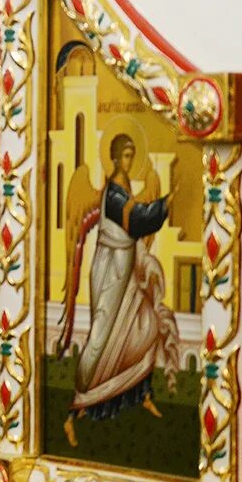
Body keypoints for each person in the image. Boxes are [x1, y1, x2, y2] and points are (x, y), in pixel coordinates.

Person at [57, 117, 178, 446]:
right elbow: (136, 221)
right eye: (124, 155)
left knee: (143, 324)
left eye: (131, 155)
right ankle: (75, 409)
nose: (128, 160)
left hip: (127, 264)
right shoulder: (113, 191)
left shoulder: (124, 188)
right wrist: (164, 205)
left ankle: (141, 394)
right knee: (102, 336)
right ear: (113, 157)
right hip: (111, 268)